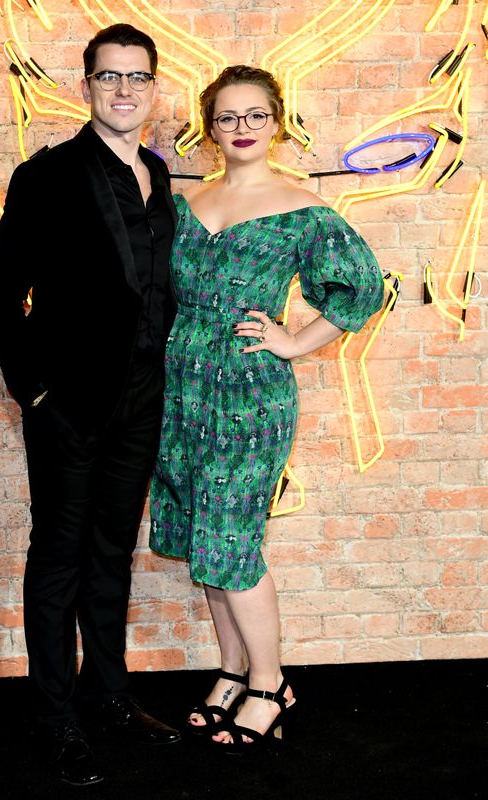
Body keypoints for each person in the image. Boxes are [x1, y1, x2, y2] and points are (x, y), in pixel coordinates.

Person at [150, 65, 384, 753]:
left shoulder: (301, 208)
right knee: (202, 535)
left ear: (277, 122)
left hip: (249, 396)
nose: (242, 129)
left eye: (255, 116)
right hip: (180, 391)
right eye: (228, 117)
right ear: (210, 127)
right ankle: (231, 671)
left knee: (231, 540)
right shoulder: (186, 202)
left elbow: (361, 291)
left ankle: (270, 683)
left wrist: (294, 341)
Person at [0, 23, 181, 786]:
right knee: (58, 561)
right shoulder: (49, 175)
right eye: (108, 77)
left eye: (137, 78)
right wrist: (34, 390)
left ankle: (109, 697)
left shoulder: (159, 177)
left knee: (111, 557)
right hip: (67, 406)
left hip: (140, 404)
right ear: (85, 85)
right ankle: (54, 716)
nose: (124, 90)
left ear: (154, 87)